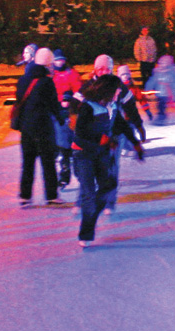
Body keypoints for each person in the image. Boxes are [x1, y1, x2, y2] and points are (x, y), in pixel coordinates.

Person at [72, 75, 144, 246]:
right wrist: (101, 139)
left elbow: (122, 126)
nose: (120, 91)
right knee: (89, 194)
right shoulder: (88, 107)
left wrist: (136, 144)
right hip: (83, 154)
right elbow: (80, 133)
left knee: (109, 185)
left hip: (101, 154)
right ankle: (86, 233)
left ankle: (90, 215)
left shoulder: (112, 106)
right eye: (118, 89)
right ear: (108, 89)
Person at [15, 47, 66, 206]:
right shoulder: (46, 82)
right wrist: (61, 118)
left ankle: (25, 195)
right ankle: (51, 195)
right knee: (48, 162)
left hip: (26, 128)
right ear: (48, 64)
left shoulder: (23, 79)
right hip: (43, 127)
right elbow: (53, 104)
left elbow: (19, 102)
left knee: (28, 162)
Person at [51, 49, 83, 188]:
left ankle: (80, 173)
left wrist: (71, 98)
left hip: (71, 110)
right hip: (57, 110)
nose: (60, 62)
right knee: (61, 144)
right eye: (58, 60)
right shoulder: (51, 74)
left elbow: (79, 90)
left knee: (74, 143)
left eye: (62, 60)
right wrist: (59, 100)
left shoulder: (72, 73)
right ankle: (64, 174)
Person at [146, 54, 175, 123]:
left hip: (167, 93)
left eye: (165, 64)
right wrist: (148, 87)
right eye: (161, 63)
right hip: (159, 93)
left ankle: (162, 117)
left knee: (162, 106)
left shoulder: (171, 73)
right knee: (159, 105)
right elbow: (152, 81)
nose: (162, 65)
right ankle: (160, 116)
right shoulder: (157, 73)